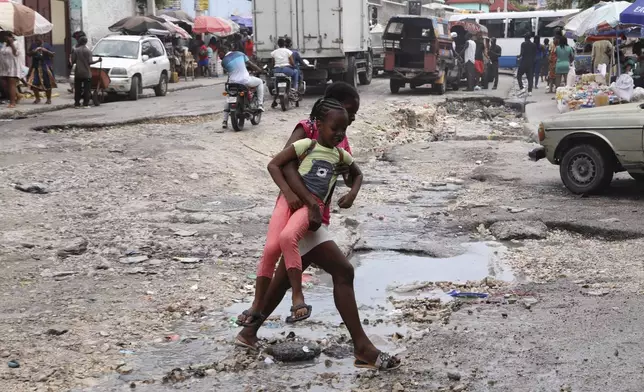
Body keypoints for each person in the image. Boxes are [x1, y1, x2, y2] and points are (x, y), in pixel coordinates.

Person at [235, 82, 402, 371]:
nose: (351, 120)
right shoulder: (308, 130)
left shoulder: (338, 138)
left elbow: (347, 172)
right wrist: (309, 204)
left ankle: (249, 331)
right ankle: (363, 347)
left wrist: (351, 186)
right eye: (349, 112)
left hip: (314, 216)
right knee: (343, 271)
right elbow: (285, 165)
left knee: (286, 276)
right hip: (300, 212)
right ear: (330, 109)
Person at [243, 98, 363, 325]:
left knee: (289, 239)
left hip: (311, 208)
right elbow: (276, 165)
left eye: (344, 129)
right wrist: (289, 194)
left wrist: (351, 194)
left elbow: (356, 174)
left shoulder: (340, 154)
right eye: (335, 128)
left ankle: (297, 298)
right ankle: (256, 308)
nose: (340, 133)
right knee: (271, 250)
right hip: (297, 203)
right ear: (319, 123)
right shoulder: (305, 143)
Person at [219, 45, 265, 128]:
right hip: (245, 81)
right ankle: (260, 104)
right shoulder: (240, 54)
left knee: (229, 97)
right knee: (260, 82)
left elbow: (231, 72)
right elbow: (251, 64)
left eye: (220, 54)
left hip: (232, 83)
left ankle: (224, 121)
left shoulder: (223, 62)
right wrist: (260, 70)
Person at [71, 36, 101, 108]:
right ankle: (85, 104)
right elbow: (90, 62)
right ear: (86, 42)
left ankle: (77, 104)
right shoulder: (88, 51)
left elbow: (73, 61)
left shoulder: (76, 50)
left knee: (77, 89)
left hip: (78, 73)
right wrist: (98, 61)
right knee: (86, 89)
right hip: (87, 74)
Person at [26, 37, 57, 104]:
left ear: (42, 40)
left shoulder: (47, 45)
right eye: (35, 40)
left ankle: (48, 99)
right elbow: (28, 54)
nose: (36, 42)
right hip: (35, 67)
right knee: (33, 83)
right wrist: (33, 52)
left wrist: (45, 51)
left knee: (48, 83)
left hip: (45, 67)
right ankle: (37, 98)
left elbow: (53, 54)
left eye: (38, 40)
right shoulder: (33, 45)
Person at [0, 32, 21, 108]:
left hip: (13, 67)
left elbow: (16, 53)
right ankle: (17, 96)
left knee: (11, 85)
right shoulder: (4, 45)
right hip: (4, 68)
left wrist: (12, 44)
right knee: (5, 85)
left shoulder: (16, 43)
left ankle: (12, 103)